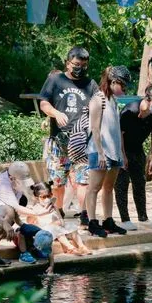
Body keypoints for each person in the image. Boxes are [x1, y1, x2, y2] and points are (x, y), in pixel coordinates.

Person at [39, 46, 98, 221]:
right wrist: (56, 113)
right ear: (68, 63)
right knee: (57, 180)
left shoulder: (91, 84)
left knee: (83, 180)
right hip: (59, 139)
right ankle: (58, 211)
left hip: (82, 141)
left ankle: (85, 213)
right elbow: (44, 103)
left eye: (84, 65)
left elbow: (99, 106)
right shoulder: (55, 80)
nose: (80, 69)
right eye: (76, 65)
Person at [114, 84, 152, 230]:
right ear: (147, 98)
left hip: (137, 149)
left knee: (139, 182)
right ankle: (125, 219)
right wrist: (122, 156)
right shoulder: (130, 110)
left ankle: (143, 217)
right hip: (121, 147)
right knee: (122, 184)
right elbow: (120, 135)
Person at [85, 66, 131, 237]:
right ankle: (92, 222)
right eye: (123, 86)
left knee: (109, 187)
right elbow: (95, 129)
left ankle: (108, 220)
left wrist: (121, 153)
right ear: (113, 82)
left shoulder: (113, 101)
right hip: (100, 151)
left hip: (115, 151)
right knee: (94, 188)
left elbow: (116, 129)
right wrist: (101, 153)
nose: (125, 90)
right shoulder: (98, 99)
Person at [27, 181, 91, 256]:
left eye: (49, 196)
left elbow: (60, 218)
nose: (47, 199)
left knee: (72, 227)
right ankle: (70, 248)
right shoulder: (35, 209)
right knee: (56, 229)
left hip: (58, 229)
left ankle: (81, 246)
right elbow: (34, 226)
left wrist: (61, 222)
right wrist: (52, 224)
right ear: (37, 197)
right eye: (43, 197)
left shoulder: (53, 207)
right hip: (46, 232)